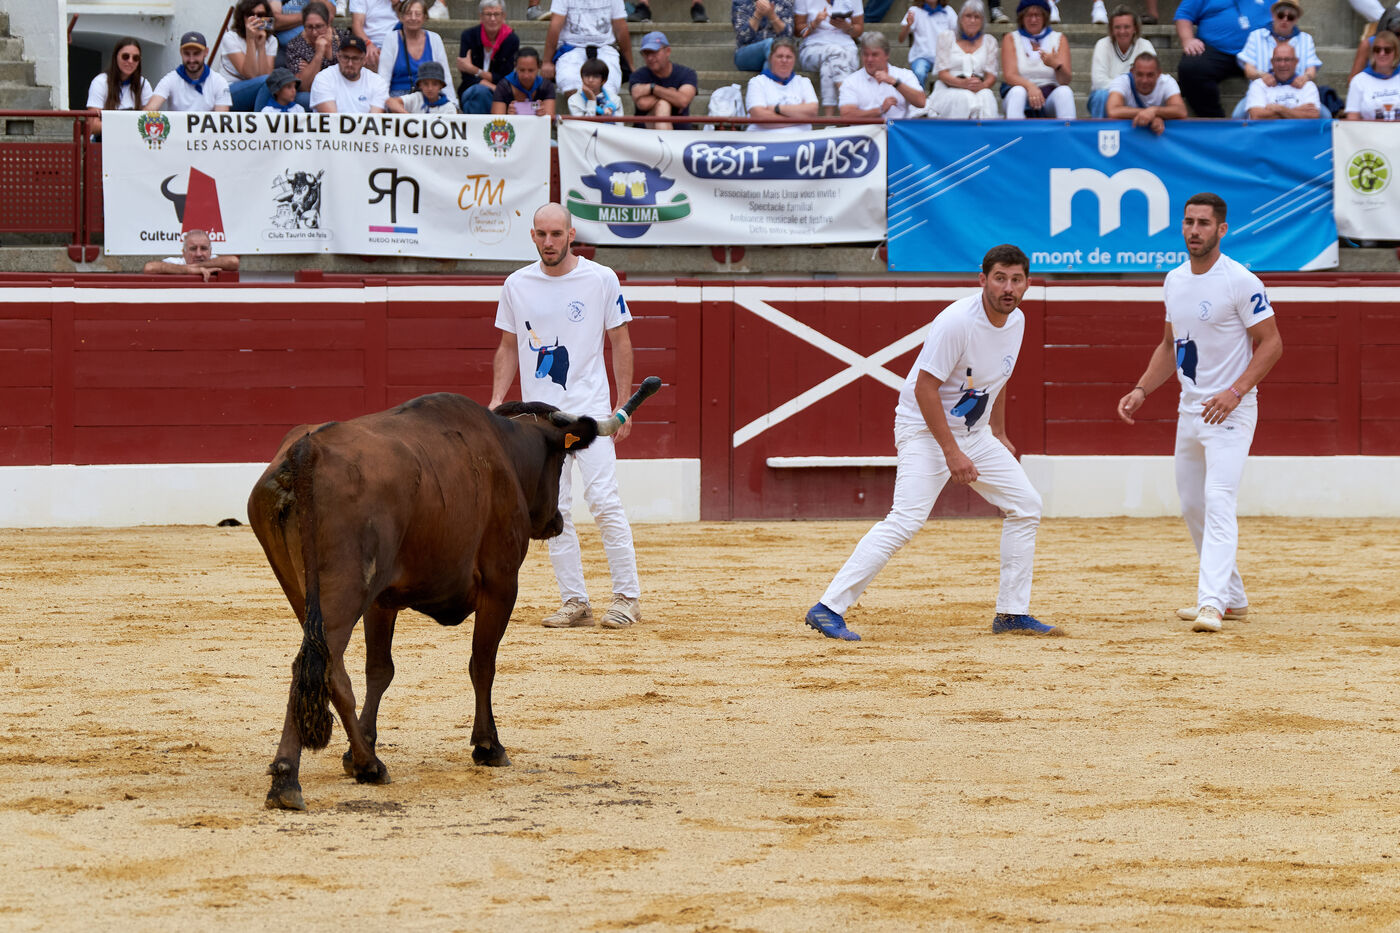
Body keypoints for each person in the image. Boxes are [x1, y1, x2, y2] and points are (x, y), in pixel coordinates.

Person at [804, 243, 1058, 642]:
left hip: (976, 433)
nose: (1008, 288)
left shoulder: (1017, 321)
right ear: (983, 280)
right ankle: (828, 607)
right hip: (925, 430)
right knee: (906, 519)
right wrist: (951, 452)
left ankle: (1012, 613)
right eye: (1000, 279)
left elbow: (999, 378)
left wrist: (999, 432)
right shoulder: (957, 322)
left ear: (1027, 283)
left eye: (1016, 279)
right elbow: (925, 388)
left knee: (1026, 506)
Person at [1116, 193, 1283, 634]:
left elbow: (1272, 343)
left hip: (1230, 412)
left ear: (1221, 229)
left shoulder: (1240, 280)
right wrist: (1141, 389)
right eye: (1189, 222)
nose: (1194, 230)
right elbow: (1170, 346)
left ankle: (1212, 602)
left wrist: (1236, 391)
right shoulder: (1174, 280)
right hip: (1190, 410)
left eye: (1204, 223)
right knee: (1193, 505)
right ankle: (1234, 597)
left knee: (1218, 499)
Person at [490, 203, 643, 632]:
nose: (549, 242)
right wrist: (497, 399)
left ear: (571, 235)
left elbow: (620, 340)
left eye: (556, 234)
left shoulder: (600, 278)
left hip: (590, 414)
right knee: (553, 509)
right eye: (541, 234)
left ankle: (627, 597)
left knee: (604, 501)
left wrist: (623, 405)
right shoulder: (516, 284)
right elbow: (507, 346)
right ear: (532, 235)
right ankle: (575, 601)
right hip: (540, 421)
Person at [1174, 0, 1272, 118]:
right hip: (1216, 49)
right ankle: (1214, 121)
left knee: (1283, 65)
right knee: (1191, 69)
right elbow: (1184, 14)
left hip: (1259, 50)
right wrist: (1187, 40)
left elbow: (1284, 13)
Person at [1230, 0, 1320, 117]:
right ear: (1273, 15)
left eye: (1290, 17)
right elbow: (1249, 70)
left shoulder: (1306, 39)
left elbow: (1311, 69)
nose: (1285, 20)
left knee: (1326, 115)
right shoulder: (1256, 36)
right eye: (1281, 15)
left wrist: (1305, 78)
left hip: (1298, 94)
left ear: (1296, 19)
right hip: (1263, 94)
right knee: (1237, 116)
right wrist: (1262, 75)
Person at [543, 0, 633, 100]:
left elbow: (621, 28)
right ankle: (584, 107)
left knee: (610, 86)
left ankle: (600, 107)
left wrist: (630, 64)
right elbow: (555, 26)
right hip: (572, 47)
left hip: (605, 47)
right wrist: (547, 62)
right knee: (570, 84)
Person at [1000, 0, 1074, 119]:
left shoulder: (1059, 38)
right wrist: (1031, 87)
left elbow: (1065, 80)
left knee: (1065, 92)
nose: (1033, 20)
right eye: (1029, 15)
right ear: (1022, 18)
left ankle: (1067, 130)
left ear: (1044, 17)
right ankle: (1015, 130)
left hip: (1049, 97)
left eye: (1037, 15)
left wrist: (1055, 65)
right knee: (1018, 92)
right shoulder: (1011, 38)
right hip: (1020, 95)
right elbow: (1010, 75)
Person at [928, 0, 1000, 118]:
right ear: (960, 19)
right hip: (949, 87)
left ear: (982, 21)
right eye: (968, 16)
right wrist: (962, 83)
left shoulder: (989, 41)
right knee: (964, 98)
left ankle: (986, 129)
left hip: (977, 87)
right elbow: (942, 73)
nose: (972, 20)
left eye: (977, 17)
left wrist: (982, 85)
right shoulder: (946, 37)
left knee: (987, 96)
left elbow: (991, 75)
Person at [268, 1, 339, 112]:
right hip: (283, 49)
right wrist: (309, 16)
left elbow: (329, 12)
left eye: (318, 26)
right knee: (288, 90)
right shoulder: (295, 45)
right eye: (309, 26)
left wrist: (311, 69)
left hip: (321, 50)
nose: (314, 32)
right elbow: (271, 22)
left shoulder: (340, 38)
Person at [795, 0, 863, 115]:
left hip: (847, 50)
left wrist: (846, 26)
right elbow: (797, 31)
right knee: (835, 52)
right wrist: (814, 23)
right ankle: (849, 102)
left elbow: (859, 30)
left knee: (828, 66)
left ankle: (828, 118)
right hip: (813, 49)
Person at [838, 31, 927, 119]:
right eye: (865, 54)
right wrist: (880, 110)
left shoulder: (904, 75)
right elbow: (846, 115)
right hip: (866, 128)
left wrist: (895, 82)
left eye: (874, 55)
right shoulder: (851, 81)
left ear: (886, 55)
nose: (869, 59)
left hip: (897, 128)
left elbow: (921, 102)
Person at [378, 0, 456, 98]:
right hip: (398, 97)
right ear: (401, 17)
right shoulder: (391, 38)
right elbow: (384, 76)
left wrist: (452, 102)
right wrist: (384, 102)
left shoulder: (434, 39)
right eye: (408, 14)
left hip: (428, 96)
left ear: (425, 17)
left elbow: (445, 75)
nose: (413, 18)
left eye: (418, 14)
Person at [1088, 7, 1154, 117]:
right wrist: (1126, 88)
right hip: (1109, 95)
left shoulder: (1145, 45)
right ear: (1112, 29)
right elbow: (1099, 83)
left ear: (1135, 28)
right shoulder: (1102, 44)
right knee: (1100, 96)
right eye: (1117, 27)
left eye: (1126, 27)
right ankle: (1100, 127)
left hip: (1136, 96)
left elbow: (1153, 79)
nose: (1122, 31)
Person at [745, 35, 820, 130]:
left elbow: (813, 111)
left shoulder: (804, 82)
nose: (784, 60)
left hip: (801, 138)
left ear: (794, 60)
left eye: (789, 57)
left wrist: (776, 109)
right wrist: (801, 117)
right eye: (779, 56)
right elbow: (759, 116)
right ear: (771, 59)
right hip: (765, 138)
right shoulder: (757, 82)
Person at [458, 0, 519, 114]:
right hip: (472, 88)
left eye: (496, 14)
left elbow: (505, 77)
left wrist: (474, 70)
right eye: (488, 14)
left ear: (503, 16)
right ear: (480, 16)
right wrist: (491, 86)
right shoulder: (469, 36)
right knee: (479, 93)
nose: (492, 19)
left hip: (502, 92)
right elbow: (467, 76)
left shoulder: (511, 40)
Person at [147, 32, 233, 112]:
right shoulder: (169, 80)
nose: (191, 60)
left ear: (206, 52)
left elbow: (221, 118)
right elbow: (150, 110)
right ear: (181, 53)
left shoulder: (219, 82)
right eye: (187, 54)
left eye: (196, 53)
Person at [85, 37, 153, 139]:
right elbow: (93, 125)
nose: (130, 61)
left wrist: (111, 123)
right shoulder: (100, 82)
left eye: (136, 58)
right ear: (116, 56)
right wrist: (129, 123)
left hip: (133, 141)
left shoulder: (144, 84)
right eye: (125, 56)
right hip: (104, 141)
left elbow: (149, 121)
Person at [629, 32, 698, 129]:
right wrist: (670, 94)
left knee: (662, 105)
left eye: (654, 52)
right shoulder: (638, 75)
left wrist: (652, 89)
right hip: (644, 133)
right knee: (663, 104)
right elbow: (643, 104)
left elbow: (683, 100)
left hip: (681, 133)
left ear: (668, 51)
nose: (650, 58)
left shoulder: (686, 73)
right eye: (646, 53)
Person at [219, 0, 279, 111]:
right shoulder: (230, 37)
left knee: (270, 83)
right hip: (229, 91)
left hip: (256, 89)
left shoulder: (271, 40)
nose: (255, 19)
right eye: (250, 14)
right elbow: (250, 74)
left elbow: (266, 77)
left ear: (266, 17)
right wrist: (250, 39)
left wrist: (261, 46)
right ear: (242, 17)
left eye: (260, 15)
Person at [1105, 52, 1186, 132]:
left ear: (1159, 73)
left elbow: (1181, 111)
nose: (1144, 80)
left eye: (1150, 75)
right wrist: (1152, 115)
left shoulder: (1167, 82)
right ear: (1132, 72)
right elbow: (1113, 111)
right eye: (1140, 74)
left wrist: (1154, 111)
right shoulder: (1121, 81)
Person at [310, 34, 390, 112]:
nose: (350, 64)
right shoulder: (324, 78)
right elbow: (331, 118)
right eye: (345, 57)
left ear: (364, 60)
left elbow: (375, 118)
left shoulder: (377, 82)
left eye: (355, 58)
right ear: (338, 56)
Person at [1243, 42, 1320, 118]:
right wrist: (1296, 112)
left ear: (1296, 62)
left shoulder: (1308, 86)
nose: (1282, 64)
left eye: (1287, 60)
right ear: (1272, 62)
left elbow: (1313, 116)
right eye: (1278, 60)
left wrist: (1280, 109)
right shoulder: (1259, 84)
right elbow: (1257, 116)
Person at [900, 0, 957, 90]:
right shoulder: (914, 10)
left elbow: (958, 34)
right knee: (919, 72)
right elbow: (901, 39)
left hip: (944, 58)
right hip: (922, 56)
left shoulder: (948, 10)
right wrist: (908, 25)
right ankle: (919, 97)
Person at [141, 230, 240, 281]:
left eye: (204, 248)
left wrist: (195, 266)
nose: (199, 254)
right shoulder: (177, 262)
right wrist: (189, 270)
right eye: (193, 249)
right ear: (183, 252)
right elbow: (149, 268)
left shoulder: (214, 260)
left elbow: (233, 261)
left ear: (210, 251)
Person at [1345, 29, 1400, 119]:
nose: (1382, 53)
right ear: (1372, 53)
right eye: (1377, 49)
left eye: (1387, 50)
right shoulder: (1359, 81)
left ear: (1396, 53)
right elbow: (1352, 118)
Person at [491, 47, 557, 115]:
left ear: (539, 67)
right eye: (522, 70)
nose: (526, 76)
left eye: (531, 70)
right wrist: (509, 116)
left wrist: (543, 114)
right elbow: (497, 118)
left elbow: (550, 117)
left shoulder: (546, 86)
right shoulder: (504, 86)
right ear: (515, 67)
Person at [733, 0, 795, 72]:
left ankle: (769, 78)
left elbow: (788, 36)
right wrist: (758, 15)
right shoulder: (741, 2)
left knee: (769, 63)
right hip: (746, 55)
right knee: (769, 44)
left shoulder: (784, 2)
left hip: (778, 54)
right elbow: (742, 37)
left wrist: (772, 16)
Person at [386, 59, 460, 112]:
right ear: (420, 85)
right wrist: (408, 117)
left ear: (441, 86)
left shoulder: (449, 108)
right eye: (425, 84)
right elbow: (390, 102)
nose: (430, 88)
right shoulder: (416, 98)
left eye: (435, 84)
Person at [350, 0, 398, 70]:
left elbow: (410, 19)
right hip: (372, 42)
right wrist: (368, 44)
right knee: (370, 57)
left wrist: (396, 3)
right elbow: (357, 25)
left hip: (398, 42)